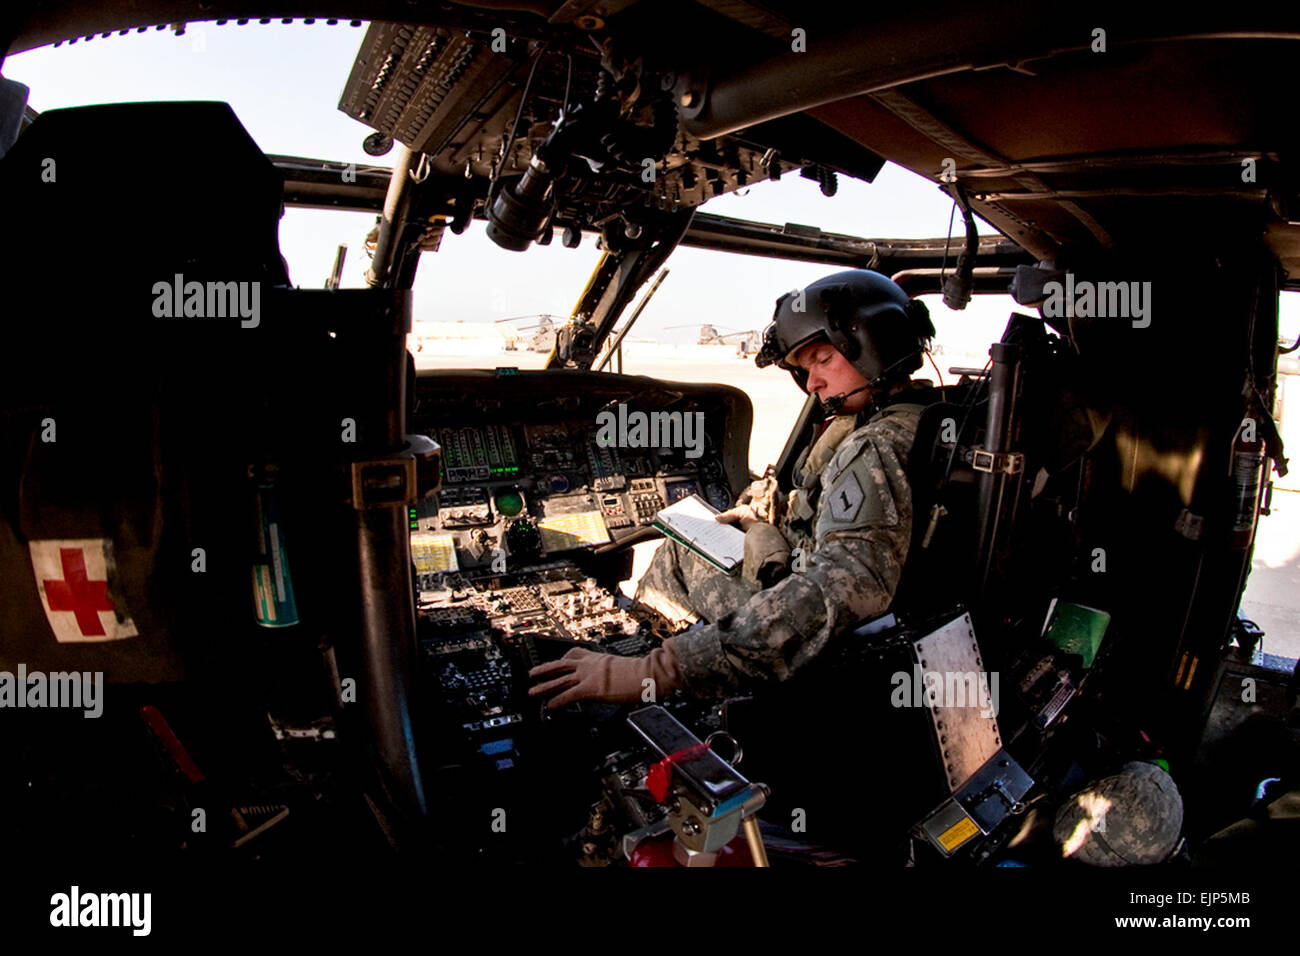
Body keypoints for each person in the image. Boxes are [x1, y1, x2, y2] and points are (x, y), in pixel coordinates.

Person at [529, 269, 937, 707]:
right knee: (689, 535)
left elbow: (847, 586)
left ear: (876, 342)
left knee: (677, 555)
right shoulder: (916, 419)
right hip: (816, 584)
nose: (813, 382)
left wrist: (654, 670)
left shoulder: (874, 446)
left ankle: (654, 687)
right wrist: (764, 518)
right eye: (804, 369)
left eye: (822, 359)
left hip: (831, 641)